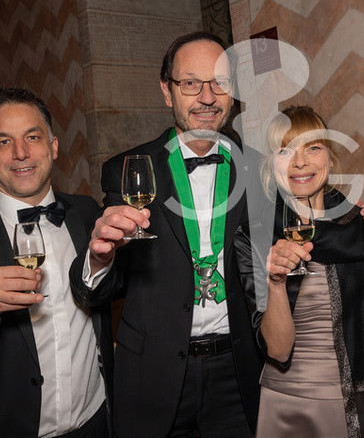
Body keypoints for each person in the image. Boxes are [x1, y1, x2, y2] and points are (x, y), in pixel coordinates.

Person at [69, 31, 264, 438]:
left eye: (220, 83)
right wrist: (100, 257)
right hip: (153, 374)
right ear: (166, 91)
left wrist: (358, 217)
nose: (207, 97)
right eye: (190, 83)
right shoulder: (129, 170)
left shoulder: (259, 169)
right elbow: (102, 288)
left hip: (239, 370)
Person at [235, 106, 364, 438]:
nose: (300, 162)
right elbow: (277, 350)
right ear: (271, 164)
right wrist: (276, 281)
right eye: (285, 151)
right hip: (294, 403)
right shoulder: (255, 237)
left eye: (312, 147)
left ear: (329, 156)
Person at [0, 87, 113, 438]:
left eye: (32, 137)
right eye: (3, 141)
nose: (20, 153)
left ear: (53, 147)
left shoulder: (87, 212)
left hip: (96, 420)